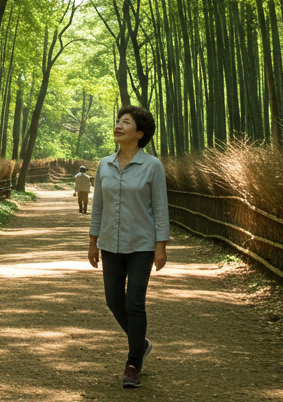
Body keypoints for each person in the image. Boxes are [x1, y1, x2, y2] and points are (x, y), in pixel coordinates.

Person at [87, 105, 169, 390]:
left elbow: (160, 208)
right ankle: (142, 343)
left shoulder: (152, 166)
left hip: (142, 245)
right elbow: (98, 206)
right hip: (110, 243)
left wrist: (161, 246)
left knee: (134, 303)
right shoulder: (103, 164)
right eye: (118, 121)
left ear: (140, 132)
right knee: (113, 300)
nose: (118, 126)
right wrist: (92, 242)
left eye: (126, 122)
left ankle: (133, 363)